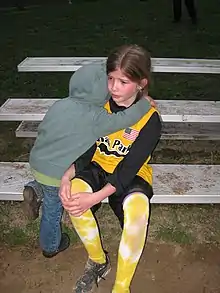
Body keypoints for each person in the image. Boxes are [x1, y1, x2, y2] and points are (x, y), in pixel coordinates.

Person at [23, 61, 155, 258]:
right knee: (53, 209)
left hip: (38, 160)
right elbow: (123, 120)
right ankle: (51, 245)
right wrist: (144, 103)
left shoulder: (61, 104)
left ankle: (36, 187)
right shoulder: (95, 116)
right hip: (57, 172)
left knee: (48, 177)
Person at [60, 44, 162, 293]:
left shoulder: (150, 119)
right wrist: (66, 176)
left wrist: (94, 197)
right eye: (111, 79)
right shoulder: (99, 106)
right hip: (98, 167)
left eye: (124, 81)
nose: (114, 87)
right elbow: (85, 150)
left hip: (132, 174)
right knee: (72, 193)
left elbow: (128, 169)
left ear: (141, 83)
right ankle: (98, 261)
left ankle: (121, 287)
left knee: (138, 209)